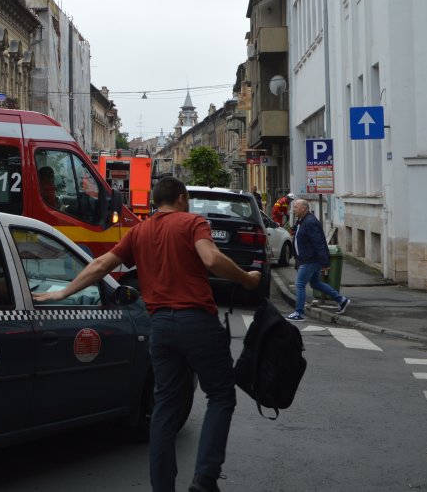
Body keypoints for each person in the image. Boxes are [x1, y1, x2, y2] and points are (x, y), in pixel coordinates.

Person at [34, 176, 261, 492]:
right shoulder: (192, 223)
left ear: (156, 201)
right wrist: (247, 279)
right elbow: (210, 258)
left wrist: (63, 293)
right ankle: (205, 478)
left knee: (165, 407)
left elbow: (100, 265)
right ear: (181, 198)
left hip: (161, 328)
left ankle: (162, 487)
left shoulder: (140, 231)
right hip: (196, 322)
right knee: (221, 395)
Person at [287, 198, 350, 321]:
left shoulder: (310, 222)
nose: (293, 209)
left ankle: (299, 312)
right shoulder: (303, 220)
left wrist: (325, 262)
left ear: (303, 208)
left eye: (296, 207)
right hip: (307, 258)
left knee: (300, 284)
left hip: (310, 259)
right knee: (316, 283)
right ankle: (341, 300)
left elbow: (319, 242)